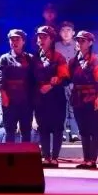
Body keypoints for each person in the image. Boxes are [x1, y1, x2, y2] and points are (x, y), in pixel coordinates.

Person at [33, 25, 71, 167]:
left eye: (44, 37)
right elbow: (30, 79)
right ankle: (46, 157)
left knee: (57, 128)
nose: (41, 40)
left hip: (56, 98)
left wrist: (53, 84)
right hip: (40, 98)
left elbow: (66, 78)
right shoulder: (34, 58)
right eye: (39, 37)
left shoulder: (58, 57)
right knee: (43, 128)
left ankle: (54, 157)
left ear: (51, 39)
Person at [70, 31, 98, 169]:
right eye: (78, 40)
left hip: (92, 97)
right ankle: (86, 159)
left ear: (90, 43)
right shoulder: (73, 61)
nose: (79, 43)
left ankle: (92, 160)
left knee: (94, 129)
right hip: (78, 98)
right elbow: (68, 78)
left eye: (83, 41)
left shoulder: (95, 60)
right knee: (83, 129)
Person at [0, 29, 34, 145]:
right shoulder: (4, 58)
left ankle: (26, 154)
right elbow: (0, 79)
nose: (14, 42)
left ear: (23, 41)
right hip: (10, 99)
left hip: (26, 99)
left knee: (26, 130)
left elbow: (34, 79)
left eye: (17, 39)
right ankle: (10, 154)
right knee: (10, 130)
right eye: (12, 40)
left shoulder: (30, 58)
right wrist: (3, 96)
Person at [55, 21, 80, 143]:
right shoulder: (55, 46)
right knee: (61, 108)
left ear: (73, 32)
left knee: (73, 107)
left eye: (68, 30)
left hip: (74, 82)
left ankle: (75, 133)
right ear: (59, 33)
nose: (66, 33)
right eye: (63, 30)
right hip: (60, 82)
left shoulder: (78, 45)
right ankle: (62, 132)